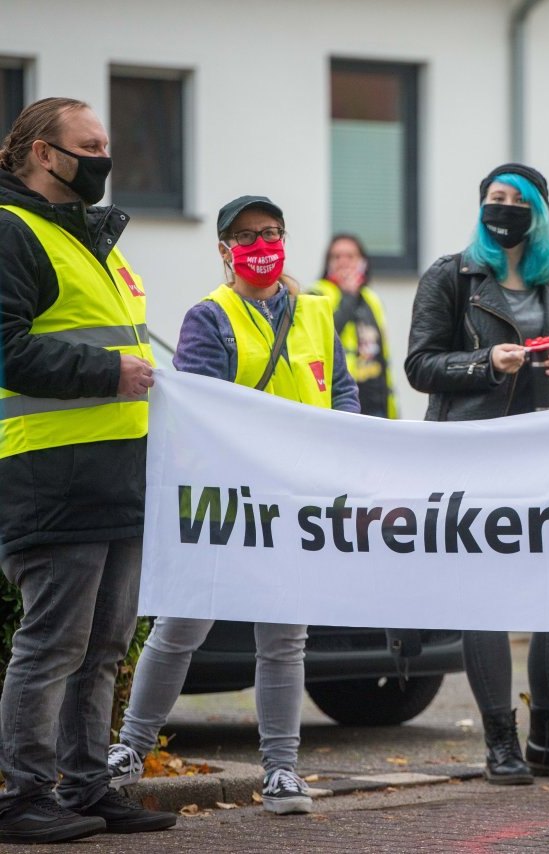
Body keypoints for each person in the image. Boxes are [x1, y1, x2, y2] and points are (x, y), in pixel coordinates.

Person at [106, 195, 360, 816]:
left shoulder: (318, 313)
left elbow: (343, 391)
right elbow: (202, 413)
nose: (261, 243)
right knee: (181, 628)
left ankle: (281, 771)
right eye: (247, 235)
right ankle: (131, 748)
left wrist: (349, 449)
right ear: (224, 249)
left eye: (271, 231)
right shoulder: (209, 317)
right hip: (227, 500)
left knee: (283, 639)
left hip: (295, 502)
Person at [0, 97, 176, 844]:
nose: (105, 155)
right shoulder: (13, 232)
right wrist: (108, 372)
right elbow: (7, 348)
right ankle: (23, 795)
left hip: (114, 472)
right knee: (53, 646)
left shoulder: (93, 242)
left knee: (102, 646)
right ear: (43, 152)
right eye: (91, 144)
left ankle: (85, 786)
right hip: (52, 473)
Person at [405, 163, 549, 786]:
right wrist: (485, 363)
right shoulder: (451, 274)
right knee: (484, 597)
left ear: (539, 213)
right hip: (473, 453)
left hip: (545, 451)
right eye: (494, 198)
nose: (504, 208)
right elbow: (420, 364)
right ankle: (500, 741)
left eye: (517, 201)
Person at [312, 233, 397, 418]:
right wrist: (348, 296)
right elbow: (320, 340)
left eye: (350, 256)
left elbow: (383, 355)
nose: (343, 262)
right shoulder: (316, 295)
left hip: (375, 401)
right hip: (341, 399)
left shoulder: (371, 299)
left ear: (363, 262)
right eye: (336, 257)